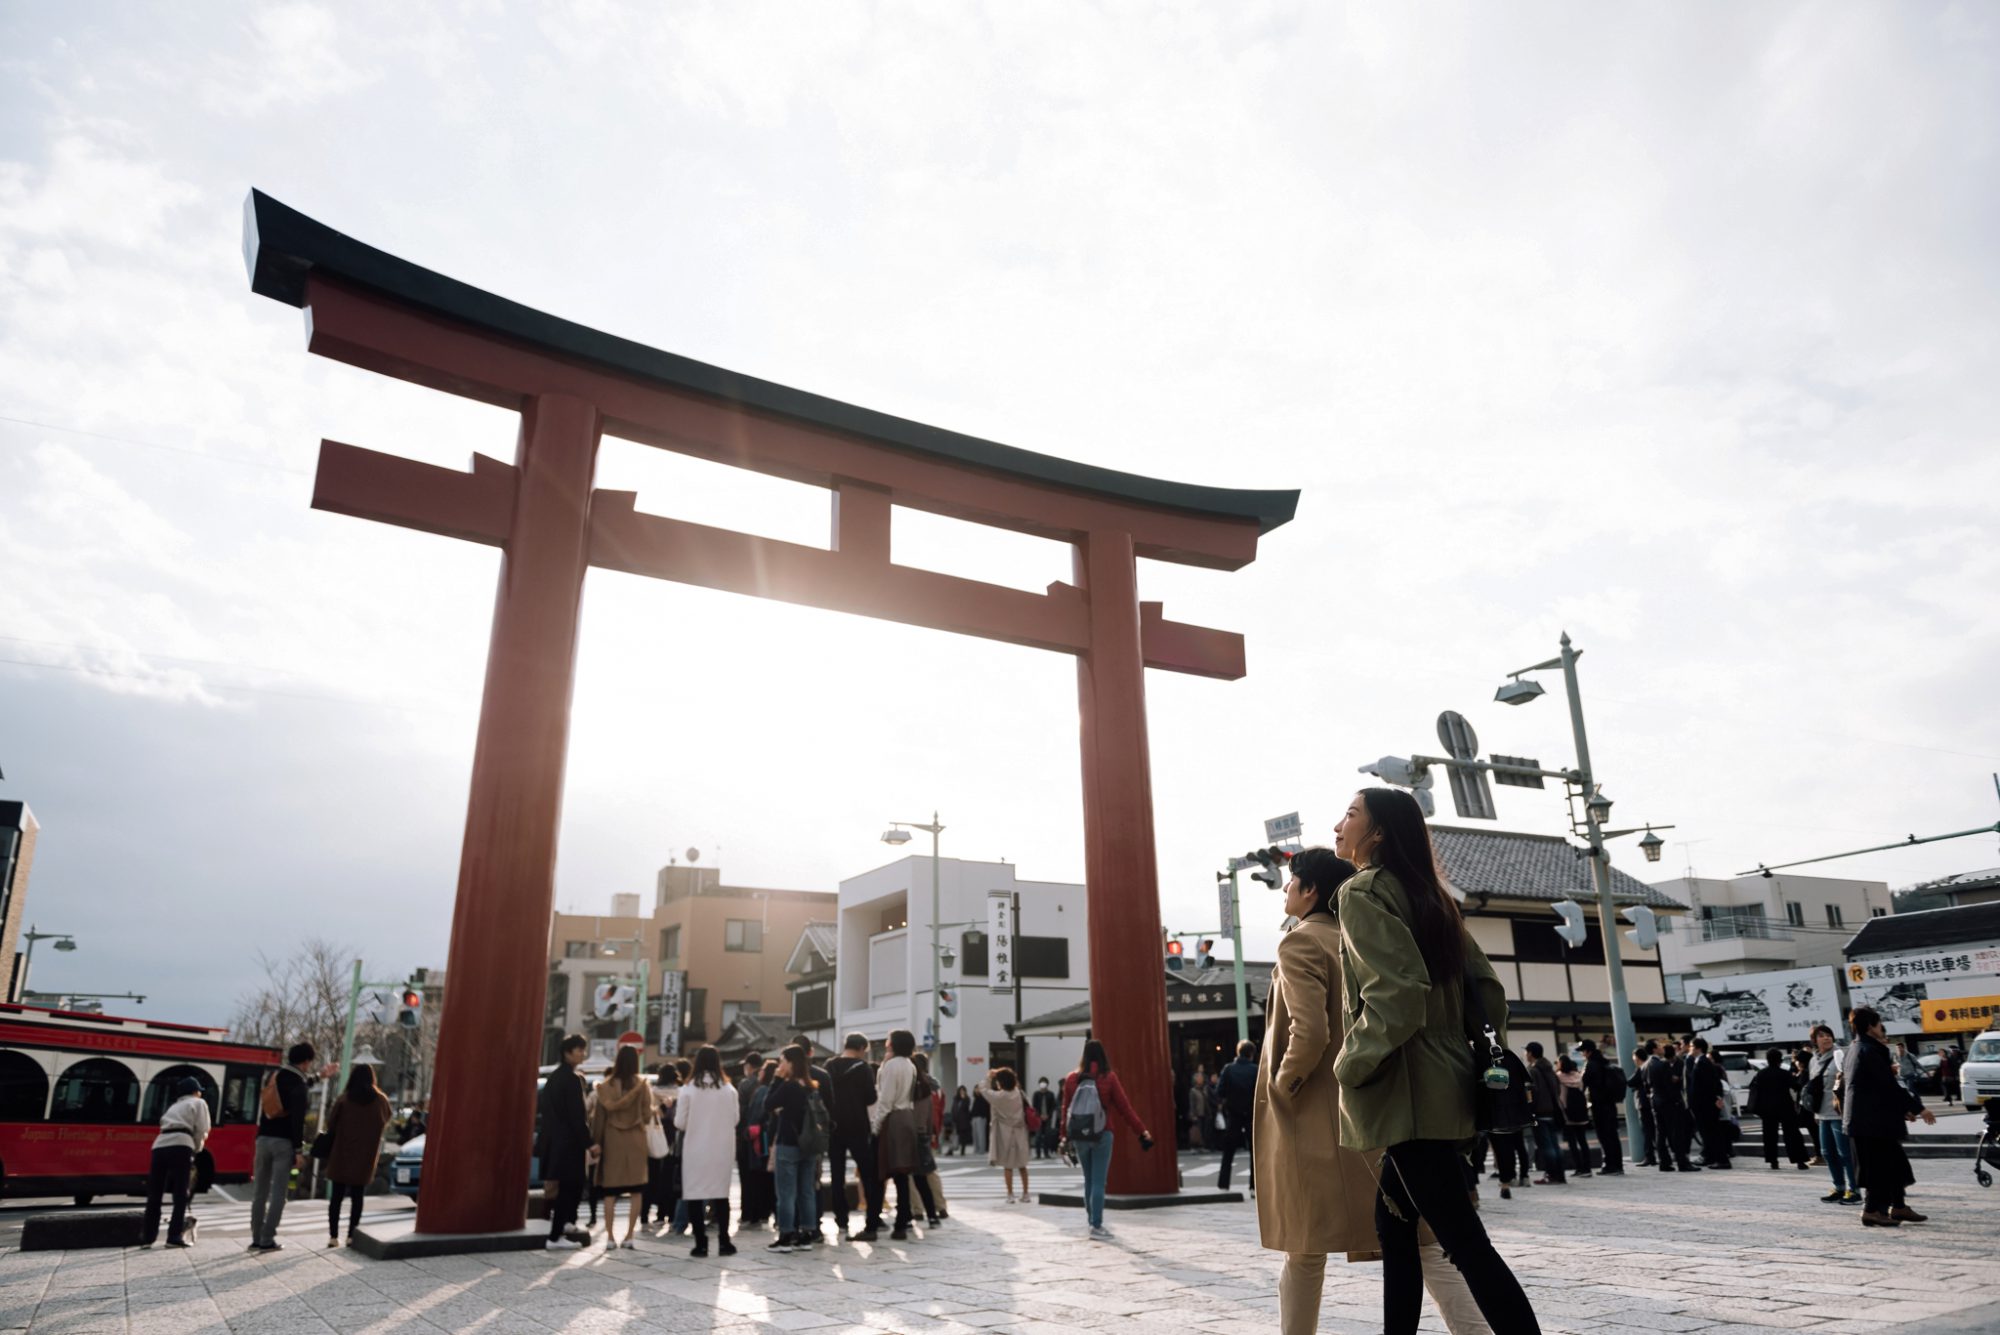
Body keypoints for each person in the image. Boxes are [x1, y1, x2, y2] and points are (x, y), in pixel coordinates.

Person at [1331, 787, 1541, 1335]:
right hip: (1449, 1080)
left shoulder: (1363, 893)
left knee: (1465, 1242)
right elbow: (1489, 994)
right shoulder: (1433, 896)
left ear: (1376, 833)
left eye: (1351, 814)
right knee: (1394, 1224)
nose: (1339, 824)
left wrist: (1350, 1064)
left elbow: (1398, 994)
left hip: (1407, 1087)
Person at [1846, 1007, 1937, 1226]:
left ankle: (1898, 1206)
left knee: (1894, 1164)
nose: (1881, 1029)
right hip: (1870, 1122)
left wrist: (1902, 1109)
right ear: (1870, 1026)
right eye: (1878, 1024)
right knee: (1879, 1167)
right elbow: (1888, 1086)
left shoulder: (1858, 1048)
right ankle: (1871, 1211)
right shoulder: (1869, 1050)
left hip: (1870, 1119)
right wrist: (1918, 1108)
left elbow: (1876, 1088)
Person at [1059, 1038, 1152, 1240]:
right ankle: (1097, 1225)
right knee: (1099, 1182)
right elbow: (1124, 1108)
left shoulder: (1072, 1079)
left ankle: (1091, 1220)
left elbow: (1065, 1110)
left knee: (1088, 1179)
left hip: (1079, 1136)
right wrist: (1141, 1131)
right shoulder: (1108, 1078)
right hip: (1103, 1133)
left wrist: (1063, 1137)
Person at [674, 1044, 740, 1257]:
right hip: (722, 1148)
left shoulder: (688, 1089)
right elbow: (736, 1119)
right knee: (721, 1195)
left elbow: (680, 1122)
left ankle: (700, 1243)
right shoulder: (729, 1090)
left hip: (695, 1148)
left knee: (694, 1194)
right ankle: (724, 1241)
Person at [249, 1041, 314, 1253]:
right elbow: (297, 1120)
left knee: (260, 1191)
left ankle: (256, 1238)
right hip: (283, 1143)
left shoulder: (273, 1077)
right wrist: (298, 1150)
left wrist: (320, 1076)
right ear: (305, 1062)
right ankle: (268, 1239)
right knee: (278, 1193)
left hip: (263, 1139)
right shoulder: (299, 1085)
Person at [321, 1063, 393, 1247]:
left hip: (341, 1154)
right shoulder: (381, 1100)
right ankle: (352, 1235)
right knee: (357, 1197)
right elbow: (387, 1119)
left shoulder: (344, 1100)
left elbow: (331, 1124)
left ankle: (333, 1236)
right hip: (365, 1157)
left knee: (336, 1197)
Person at [590, 1045, 654, 1250]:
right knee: (636, 1191)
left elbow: (598, 1119)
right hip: (635, 1140)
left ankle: (609, 1237)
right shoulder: (642, 1086)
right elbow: (646, 1115)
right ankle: (629, 1237)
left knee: (610, 1192)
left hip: (612, 1140)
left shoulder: (605, 1087)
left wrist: (596, 1142)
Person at [537, 1034, 593, 1250]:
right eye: (578, 1050)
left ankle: (566, 1226)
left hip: (555, 1140)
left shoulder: (554, 1078)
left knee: (569, 1186)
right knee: (569, 1188)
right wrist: (589, 1143)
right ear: (567, 1052)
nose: (582, 1053)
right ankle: (555, 1236)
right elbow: (577, 1116)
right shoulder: (571, 1079)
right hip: (569, 1143)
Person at [762, 1045, 821, 1254]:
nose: (780, 1066)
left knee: (786, 1193)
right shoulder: (811, 1086)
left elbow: (767, 1104)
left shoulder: (788, 1087)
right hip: (809, 1146)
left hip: (788, 1144)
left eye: (782, 1061)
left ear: (790, 1063)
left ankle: (786, 1236)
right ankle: (807, 1235)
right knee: (806, 1192)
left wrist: (776, 1079)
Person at [825, 1031, 883, 1240]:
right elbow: (870, 1097)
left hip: (834, 1126)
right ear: (861, 1049)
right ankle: (872, 1220)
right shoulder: (863, 1068)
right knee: (868, 1174)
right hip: (858, 1126)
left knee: (836, 1174)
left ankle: (841, 1221)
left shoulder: (829, 1066)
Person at [142, 1075, 210, 1249]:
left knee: (155, 1193)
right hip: (181, 1144)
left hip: (159, 1144)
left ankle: (147, 1237)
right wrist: (196, 1149)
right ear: (195, 1092)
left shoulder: (174, 1106)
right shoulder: (198, 1103)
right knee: (180, 1192)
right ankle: (174, 1236)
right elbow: (202, 1129)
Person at [869, 1029, 924, 1240]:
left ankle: (872, 1225)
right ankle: (902, 1222)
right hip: (907, 1117)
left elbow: (886, 1099)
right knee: (902, 1174)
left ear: (893, 1044)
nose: (886, 1043)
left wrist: (876, 1126)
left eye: (888, 1040)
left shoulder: (892, 1066)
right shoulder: (910, 1064)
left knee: (879, 1172)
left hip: (892, 1119)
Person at [1804, 1023, 1857, 1204]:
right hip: (1821, 1114)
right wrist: (1814, 1112)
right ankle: (1839, 1187)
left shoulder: (1840, 1055)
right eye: (1821, 1036)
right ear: (1814, 1041)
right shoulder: (1813, 1060)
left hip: (1839, 1112)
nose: (1826, 1038)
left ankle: (1854, 1190)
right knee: (1827, 1152)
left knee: (1845, 1153)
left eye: (1828, 1035)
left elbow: (1850, 1082)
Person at [1747, 1047, 1811, 1170]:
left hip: (1767, 1109)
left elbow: (1753, 1088)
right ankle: (1799, 1161)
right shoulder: (1784, 1074)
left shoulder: (1761, 1074)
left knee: (1770, 1135)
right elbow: (1796, 1086)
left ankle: (1773, 1161)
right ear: (1780, 1060)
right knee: (1792, 1134)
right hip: (1785, 1106)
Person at [979, 1068, 1032, 1202]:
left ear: (1001, 1082)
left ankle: (1010, 1194)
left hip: (1005, 1132)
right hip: (1020, 1131)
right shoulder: (1019, 1093)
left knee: (1008, 1165)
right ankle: (1026, 1194)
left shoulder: (1000, 1096)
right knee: (1022, 1164)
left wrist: (988, 1077)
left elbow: (983, 1090)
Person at [1646, 1041, 1697, 1172]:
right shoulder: (1662, 1064)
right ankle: (1682, 1163)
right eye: (1658, 1046)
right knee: (1676, 1133)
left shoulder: (1648, 1064)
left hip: (1656, 1101)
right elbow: (1670, 1084)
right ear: (1654, 1050)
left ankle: (1664, 1162)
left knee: (1661, 1133)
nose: (1661, 1048)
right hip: (1670, 1102)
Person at [908, 1051, 946, 1225]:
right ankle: (941, 1206)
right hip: (931, 1131)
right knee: (931, 1170)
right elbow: (939, 1111)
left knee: (911, 1173)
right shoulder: (935, 1086)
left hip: (914, 1130)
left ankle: (917, 1210)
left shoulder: (914, 1084)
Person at [1216, 1039, 1258, 1192]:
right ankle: (1254, 1186)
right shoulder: (1255, 1070)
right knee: (1254, 1151)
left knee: (1228, 1151)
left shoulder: (1228, 1069)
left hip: (1233, 1114)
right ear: (1251, 1054)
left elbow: (1219, 1092)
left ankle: (1224, 1184)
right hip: (1250, 1115)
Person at [1577, 1039, 1624, 1175]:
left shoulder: (1591, 1064)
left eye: (1583, 1052)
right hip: (1610, 1104)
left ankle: (1610, 1165)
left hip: (1599, 1105)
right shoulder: (1605, 1062)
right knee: (1613, 1135)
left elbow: (1582, 1084)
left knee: (1604, 1136)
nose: (1582, 1055)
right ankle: (1618, 1165)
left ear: (1588, 1051)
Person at [1522, 1043, 1566, 1184]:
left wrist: (1530, 1109)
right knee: (1554, 1145)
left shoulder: (1533, 1071)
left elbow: (1530, 1093)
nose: (1525, 1055)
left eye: (1526, 1052)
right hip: (1553, 1112)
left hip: (1539, 1113)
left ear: (1530, 1053)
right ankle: (1560, 1175)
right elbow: (1557, 1090)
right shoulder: (1550, 1069)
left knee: (1546, 1147)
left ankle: (1551, 1175)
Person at [1687, 1038, 1733, 1168]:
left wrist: (1715, 1098)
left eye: (1691, 1046)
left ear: (1698, 1048)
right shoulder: (1700, 1062)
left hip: (1705, 1105)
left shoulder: (1703, 1063)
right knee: (1708, 1133)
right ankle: (1710, 1157)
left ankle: (1722, 1161)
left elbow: (1711, 1084)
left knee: (1712, 1133)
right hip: (1704, 1104)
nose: (1689, 1048)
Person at [645, 1065, 681, 1228]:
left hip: (654, 1136)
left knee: (652, 1177)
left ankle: (646, 1215)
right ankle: (669, 1215)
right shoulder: (680, 1092)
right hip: (673, 1137)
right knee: (670, 1178)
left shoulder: (652, 1092)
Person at [1555, 1054, 1593, 1177]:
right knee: (1583, 1141)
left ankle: (1579, 1168)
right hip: (1580, 1113)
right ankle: (1587, 1168)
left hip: (1568, 1115)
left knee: (1572, 1143)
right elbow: (1583, 1091)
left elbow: (1561, 1097)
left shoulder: (1559, 1077)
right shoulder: (1578, 1076)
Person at [1630, 1042, 1657, 1167]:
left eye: (1634, 1057)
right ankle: (1653, 1155)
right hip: (1649, 1102)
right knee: (1651, 1131)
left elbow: (1630, 1082)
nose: (1633, 1060)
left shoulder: (1641, 1068)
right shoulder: (1649, 1066)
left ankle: (1649, 1156)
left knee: (1647, 1131)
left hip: (1643, 1103)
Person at [1031, 1077, 1059, 1161]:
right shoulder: (1036, 1094)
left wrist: (1048, 1115)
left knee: (1047, 1136)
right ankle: (1038, 1154)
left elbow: (1053, 1106)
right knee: (1038, 1136)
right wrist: (1039, 1115)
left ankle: (1046, 1153)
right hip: (1038, 1117)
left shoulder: (1050, 1094)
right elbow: (1034, 1106)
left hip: (1048, 1117)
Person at [1187, 1065, 1208, 1150]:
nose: (1201, 1079)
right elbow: (1192, 1103)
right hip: (1197, 1113)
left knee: (1203, 1130)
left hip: (1204, 1112)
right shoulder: (1193, 1091)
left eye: (1201, 1078)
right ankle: (1194, 1146)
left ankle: (1202, 1145)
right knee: (1196, 1130)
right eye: (1199, 1078)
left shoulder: (1204, 1089)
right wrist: (1193, 1114)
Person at [949, 1086, 973, 1156]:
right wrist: (952, 1118)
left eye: (963, 1091)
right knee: (955, 1136)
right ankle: (952, 1149)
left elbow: (966, 1107)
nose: (962, 1092)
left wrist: (963, 1099)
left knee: (963, 1136)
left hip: (964, 1121)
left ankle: (963, 1150)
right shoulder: (955, 1099)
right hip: (956, 1120)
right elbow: (953, 1108)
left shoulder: (967, 1099)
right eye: (961, 1091)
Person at [970, 1083, 990, 1156]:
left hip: (981, 1117)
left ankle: (982, 1149)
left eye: (978, 1088)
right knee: (975, 1134)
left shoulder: (984, 1098)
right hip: (974, 1118)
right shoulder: (974, 1098)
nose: (977, 1090)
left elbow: (986, 1108)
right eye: (976, 1088)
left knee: (981, 1134)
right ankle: (976, 1149)